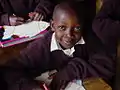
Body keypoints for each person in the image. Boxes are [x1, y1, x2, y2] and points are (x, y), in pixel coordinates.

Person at [2, 1, 115, 90]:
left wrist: (69, 71)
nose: (69, 35)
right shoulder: (41, 48)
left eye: (77, 28)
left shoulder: (89, 40)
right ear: (52, 26)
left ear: (83, 26)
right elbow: (10, 69)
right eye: (62, 28)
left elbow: (108, 66)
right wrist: (31, 87)